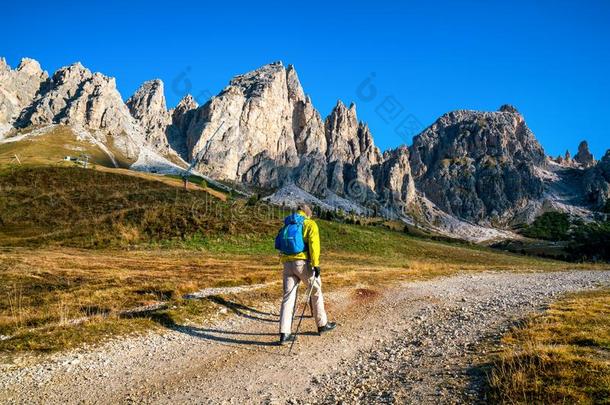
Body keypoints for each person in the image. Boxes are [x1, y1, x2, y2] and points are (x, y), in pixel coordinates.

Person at [276, 204, 336, 345]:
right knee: (315, 291)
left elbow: (278, 243)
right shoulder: (309, 224)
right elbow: (314, 245)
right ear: (307, 213)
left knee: (288, 297)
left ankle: (284, 334)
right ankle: (322, 325)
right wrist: (316, 264)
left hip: (287, 264)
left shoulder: (287, 223)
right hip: (302, 264)